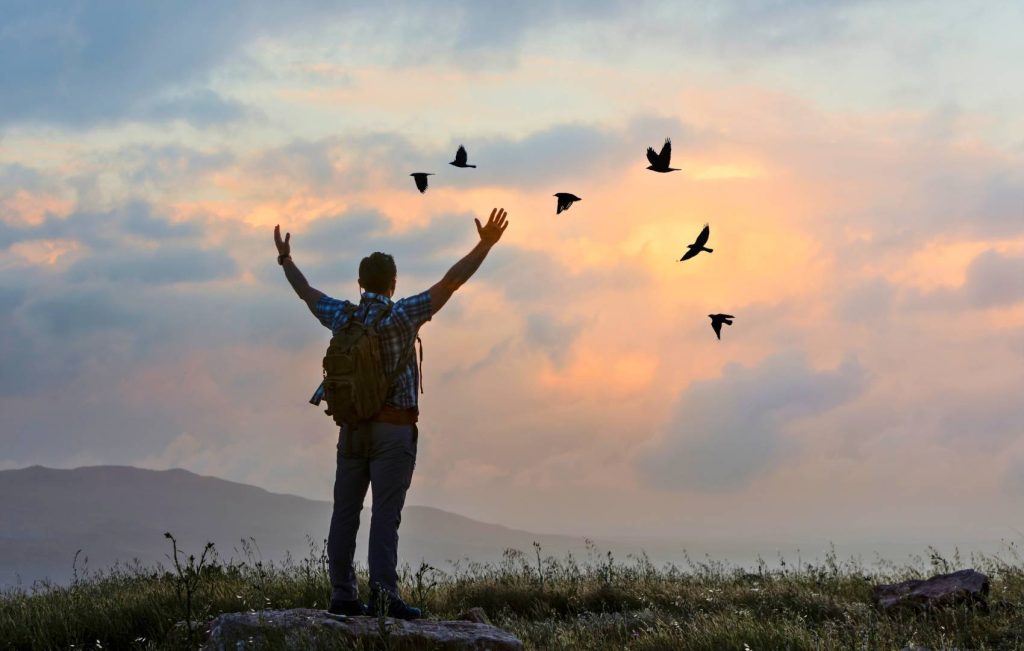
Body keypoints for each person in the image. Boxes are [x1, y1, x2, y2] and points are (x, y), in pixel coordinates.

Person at [274, 207, 510, 618]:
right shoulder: (404, 315)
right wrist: (485, 243)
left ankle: (343, 595)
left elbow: (306, 293)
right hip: (393, 432)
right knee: (386, 515)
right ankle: (384, 596)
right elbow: (452, 281)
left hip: (351, 431)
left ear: (360, 283)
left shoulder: (343, 316)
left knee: (344, 512)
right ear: (394, 283)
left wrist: (285, 259)